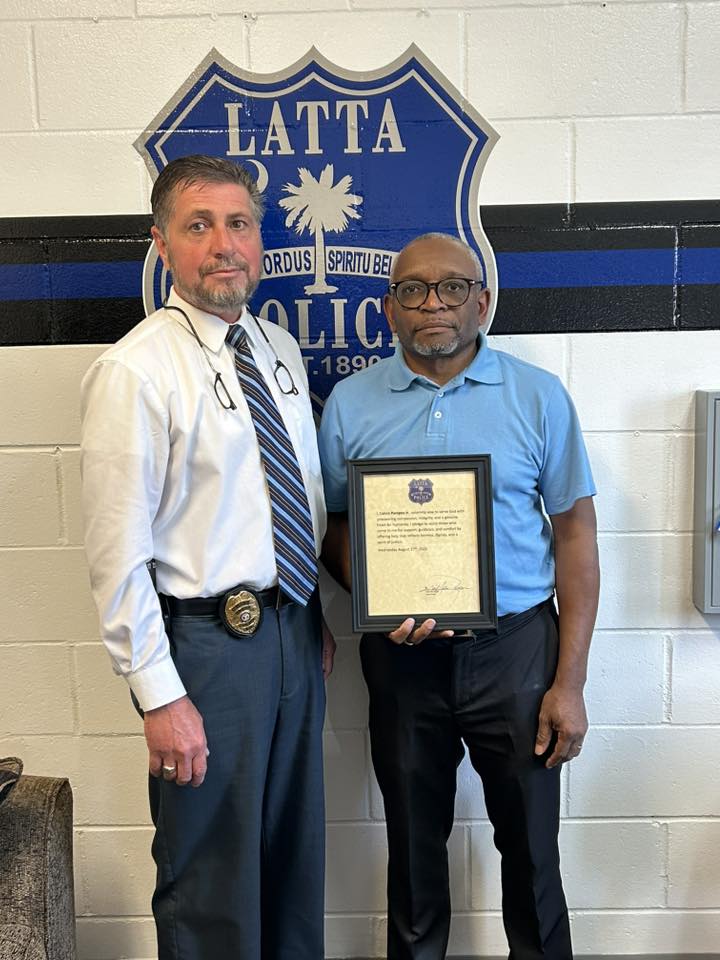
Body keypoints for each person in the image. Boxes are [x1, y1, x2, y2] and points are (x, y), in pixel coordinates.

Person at [80, 154, 334, 960]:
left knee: (294, 866)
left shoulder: (278, 350)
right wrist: (160, 696)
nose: (224, 244)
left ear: (259, 237)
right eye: (199, 226)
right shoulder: (136, 370)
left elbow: (288, 500)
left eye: (239, 223)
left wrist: (312, 615)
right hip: (206, 654)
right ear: (162, 244)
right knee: (210, 885)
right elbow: (117, 555)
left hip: (292, 637)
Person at [318, 232, 599, 960]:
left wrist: (569, 683)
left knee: (532, 855)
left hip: (517, 653)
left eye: (452, 287)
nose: (433, 304)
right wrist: (377, 593)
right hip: (401, 660)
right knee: (413, 856)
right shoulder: (350, 404)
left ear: (482, 300)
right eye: (413, 290)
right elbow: (331, 527)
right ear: (389, 309)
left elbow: (575, 537)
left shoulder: (539, 397)